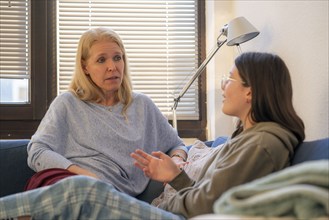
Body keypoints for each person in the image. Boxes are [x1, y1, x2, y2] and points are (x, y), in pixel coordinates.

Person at [0, 52, 305, 219]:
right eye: (101, 60)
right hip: (168, 207)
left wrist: (158, 201)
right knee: (82, 188)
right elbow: (208, 193)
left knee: (84, 191)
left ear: (250, 91)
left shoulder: (263, 144)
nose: (223, 86)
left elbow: (208, 203)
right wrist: (175, 177)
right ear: (85, 67)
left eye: (230, 79)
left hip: (168, 212)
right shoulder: (246, 138)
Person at [25, 27, 187, 196]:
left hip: (116, 199)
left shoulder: (142, 105)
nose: (112, 67)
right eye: (101, 60)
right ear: (85, 66)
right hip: (77, 187)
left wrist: (177, 160)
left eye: (117, 58)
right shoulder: (68, 103)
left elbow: (176, 144)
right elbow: (37, 151)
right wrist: (85, 176)